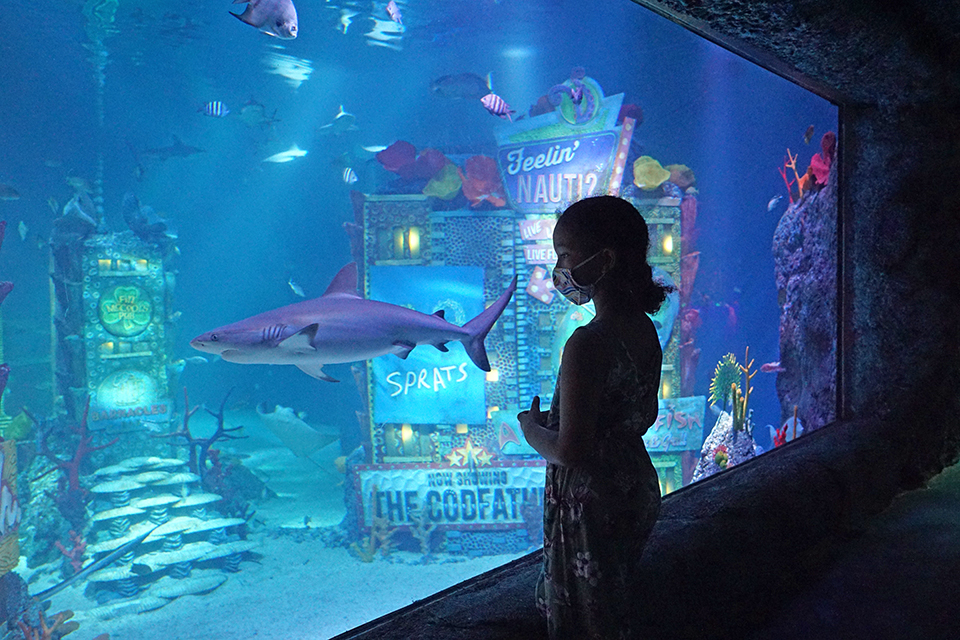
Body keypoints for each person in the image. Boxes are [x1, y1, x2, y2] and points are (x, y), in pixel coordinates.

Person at [518, 195, 670, 639]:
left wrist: (531, 429)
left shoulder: (587, 342)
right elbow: (638, 413)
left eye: (564, 255)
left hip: (590, 502)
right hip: (632, 484)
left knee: (586, 621)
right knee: (617, 606)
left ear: (604, 259)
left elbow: (571, 449)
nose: (559, 268)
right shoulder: (643, 328)